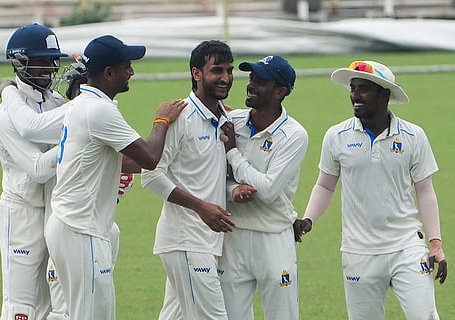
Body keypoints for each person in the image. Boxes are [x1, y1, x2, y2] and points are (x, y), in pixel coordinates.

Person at [44, 34, 186, 320]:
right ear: (109, 73)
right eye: (126, 66)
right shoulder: (99, 110)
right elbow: (149, 157)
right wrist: (162, 120)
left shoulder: (83, 104)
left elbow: (129, 162)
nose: (132, 71)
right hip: (81, 230)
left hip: (70, 225)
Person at [294, 60, 448, 320]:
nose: (355, 95)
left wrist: (436, 244)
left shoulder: (413, 136)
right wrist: (309, 219)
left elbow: (425, 191)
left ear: (384, 94)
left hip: (407, 247)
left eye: (363, 89)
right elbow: (325, 185)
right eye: (353, 88)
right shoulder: (336, 136)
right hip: (358, 252)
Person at [0, 53, 136, 320]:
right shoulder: (11, 115)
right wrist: (77, 145)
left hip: (72, 220)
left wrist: (80, 145)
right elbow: (36, 158)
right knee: (28, 306)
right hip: (37, 218)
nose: (51, 69)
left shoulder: (69, 109)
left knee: (64, 307)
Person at [140, 40, 235, 320]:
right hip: (186, 241)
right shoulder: (180, 117)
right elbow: (151, 175)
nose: (226, 78)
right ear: (196, 73)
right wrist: (200, 207)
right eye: (217, 70)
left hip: (204, 242)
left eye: (229, 70)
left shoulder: (224, 116)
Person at [219, 55, 308, 320]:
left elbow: (268, 190)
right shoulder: (232, 121)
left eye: (261, 81)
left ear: (280, 91)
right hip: (232, 236)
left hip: (273, 237)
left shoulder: (294, 135)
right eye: (251, 78)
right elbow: (211, 177)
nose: (251, 85)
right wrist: (232, 191)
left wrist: (233, 153)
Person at [0, 23, 68, 320]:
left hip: (52, 211)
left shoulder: (55, 101)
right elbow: (37, 169)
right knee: (21, 306)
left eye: (52, 60)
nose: (49, 68)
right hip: (21, 213)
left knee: (52, 302)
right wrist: (71, 143)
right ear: (20, 61)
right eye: (40, 61)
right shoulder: (5, 115)